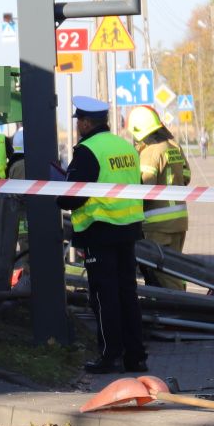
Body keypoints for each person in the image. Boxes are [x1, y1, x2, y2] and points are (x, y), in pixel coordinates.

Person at [57, 96, 146, 374]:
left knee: (104, 297)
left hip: (100, 230)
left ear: (85, 122)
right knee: (127, 294)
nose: (78, 127)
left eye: (79, 122)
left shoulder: (87, 151)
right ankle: (136, 357)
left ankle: (110, 356)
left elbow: (71, 198)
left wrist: (58, 192)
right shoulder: (125, 147)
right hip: (127, 229)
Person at [127, 105, 192, 291]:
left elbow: (145, 189)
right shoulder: (174, 146)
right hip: (179, 221)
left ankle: (177, 310)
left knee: (162, 274)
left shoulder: (150, 152)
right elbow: (187, 176)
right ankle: (183, 303)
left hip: (158, 225)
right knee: (176, 269)